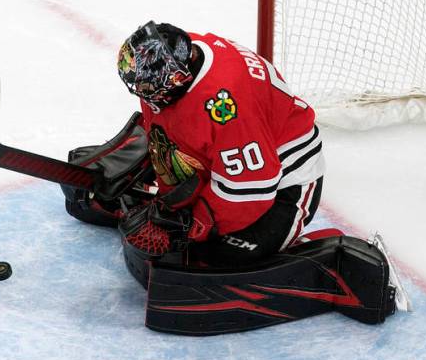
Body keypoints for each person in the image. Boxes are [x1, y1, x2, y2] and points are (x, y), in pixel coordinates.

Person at [64, 20, 325, 267]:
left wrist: (191, 226)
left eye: (145, 87)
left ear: (176, 79)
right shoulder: (178, 55)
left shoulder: (226, 109)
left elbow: (253, 188)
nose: (140, 93)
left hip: (282, 179)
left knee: (207, 259)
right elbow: (172, 121)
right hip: (221, 158)